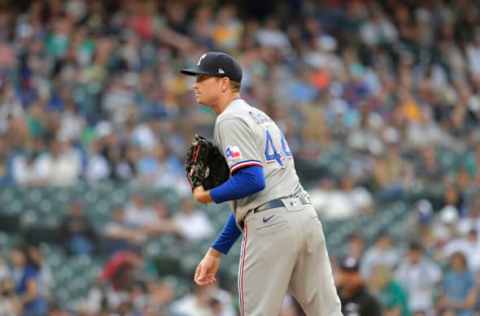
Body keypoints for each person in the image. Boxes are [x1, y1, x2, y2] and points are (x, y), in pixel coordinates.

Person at [180, 51, 342, 315]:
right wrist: (216, 251)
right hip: (304, 216)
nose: (195, 84)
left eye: (202, 78)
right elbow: (252, 199)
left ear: (223, 83)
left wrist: (208, 194)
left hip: (271, 226)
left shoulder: (229, 119)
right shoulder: (259, 117)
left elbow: (252, 181)